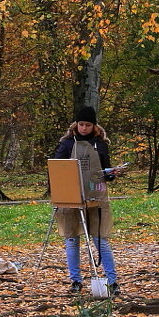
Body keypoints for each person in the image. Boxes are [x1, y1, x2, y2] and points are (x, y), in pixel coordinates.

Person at [53, 105, 124, 295]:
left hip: (96, 197)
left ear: (94, 126)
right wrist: (60, 194)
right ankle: (75, 280)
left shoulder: (100, 144)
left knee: (100, 239)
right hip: (71, 198)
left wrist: (111, 174)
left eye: (88, 125)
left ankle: (112, 280)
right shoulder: (67, 143)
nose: (84, 128)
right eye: (81, 124)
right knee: (71, 239)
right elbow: (57, 170)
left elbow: (105, 172)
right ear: (76, 124)